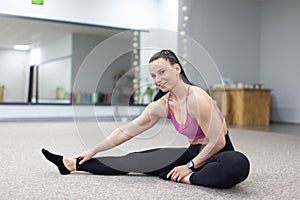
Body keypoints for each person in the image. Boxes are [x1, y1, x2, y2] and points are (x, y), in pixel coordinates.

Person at [42, 49, 250, 188]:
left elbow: (218, 142)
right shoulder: (161, 105)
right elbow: (126, 131)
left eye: (162, 72)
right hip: (193, 151)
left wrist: (189, 167)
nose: (157, 80)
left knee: (238, 164)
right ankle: (71, 165)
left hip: (218, 153)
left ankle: (187, 179)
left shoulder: (196, 98)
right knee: (135, 159)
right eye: (153, 76)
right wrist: (92, 150)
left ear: (177, 69)